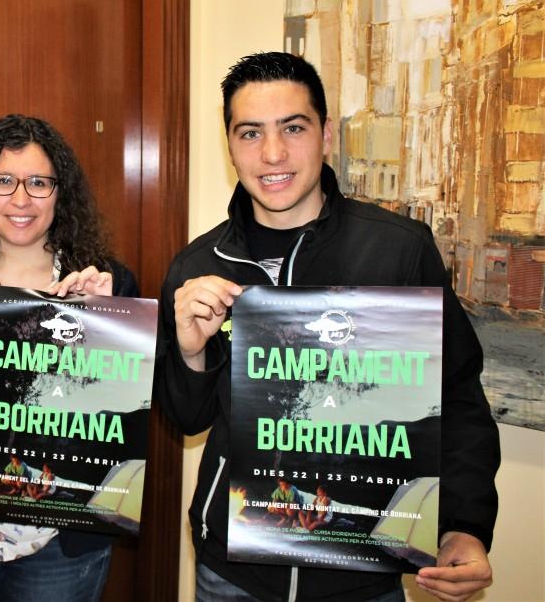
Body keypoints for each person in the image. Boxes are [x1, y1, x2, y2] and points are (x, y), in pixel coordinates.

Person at [157, 52, 500, 602]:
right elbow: (188, 417)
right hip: (233, 572)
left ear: (326, 135)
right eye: (251, 133)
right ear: (230, 145)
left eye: (293, 128)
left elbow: (458, 398)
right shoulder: (199, 264)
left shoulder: (399, 251)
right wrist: (192, 354)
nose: (273, 153)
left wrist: (464, 524)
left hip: (362, 573)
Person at [0, 114, 138, 601]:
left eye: (38, 182)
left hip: (61, 540)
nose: (21, 199)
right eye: (3, 181)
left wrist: (106, 322)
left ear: (61, 192)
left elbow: (124, 414)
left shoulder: (107, 283)